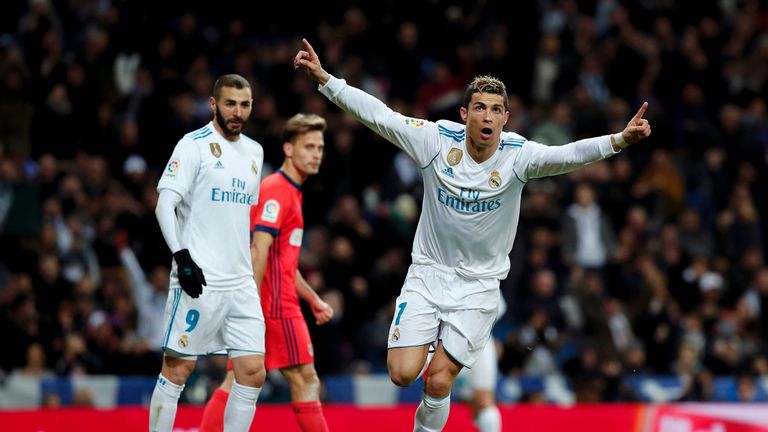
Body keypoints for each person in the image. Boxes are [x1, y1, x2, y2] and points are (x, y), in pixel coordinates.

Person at [295, 38, 651, 431]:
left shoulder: (519, 156)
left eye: (496, 110)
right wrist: (326, 80)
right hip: (428, 274)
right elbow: (380, 116)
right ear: (465, 113)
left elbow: (566, 154)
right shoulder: (434, 140)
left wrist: (618, 141)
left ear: (505, 118)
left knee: (440, 380)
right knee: (401, 373)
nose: (487, 115)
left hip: (479, 288)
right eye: (480, 107)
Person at [200, 113, 334, 432]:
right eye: (309, 146)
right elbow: (258, 249)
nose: (316, 154)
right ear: (289, 149)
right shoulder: (278, 191)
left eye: (320, 147)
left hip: (268, 300)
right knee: (305, 379)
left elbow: (282, 262)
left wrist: (313, 298)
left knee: (236, 378)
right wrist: (250, 304)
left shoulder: (288, 190)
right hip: (275, 307)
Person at [150, 74, 266, 432]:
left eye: (244, 104)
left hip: (240, 282)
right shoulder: (193, 145)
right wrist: (182, 258)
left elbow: (239, 218)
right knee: (178, 369)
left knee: (252, 372)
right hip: (198, 278)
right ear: (214, 104)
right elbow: (164, 205)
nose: (237, 111)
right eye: (230, 103)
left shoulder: (255, 152)